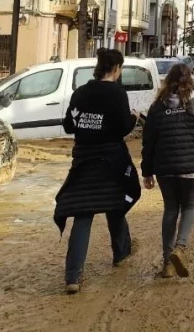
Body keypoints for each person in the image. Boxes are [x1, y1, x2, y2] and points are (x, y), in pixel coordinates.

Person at [54, 48, 140, 295]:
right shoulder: (117, 93)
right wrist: (134, 118)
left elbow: (69, 126)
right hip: (111, 161)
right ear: (116, 69)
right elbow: (123, 127)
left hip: (83, 160)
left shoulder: (80, 92)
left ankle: (73, 277)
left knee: (83, 213)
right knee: (115, 205)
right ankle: (121, 255)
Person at [141, 64, 194, 278]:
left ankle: (167, 263)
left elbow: (148, 141)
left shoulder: (157, 106)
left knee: (170, 210)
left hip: (165, 167)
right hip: (192, 167)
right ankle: (181, 247)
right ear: (190, 80)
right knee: (189, 206)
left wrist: (146, 171)